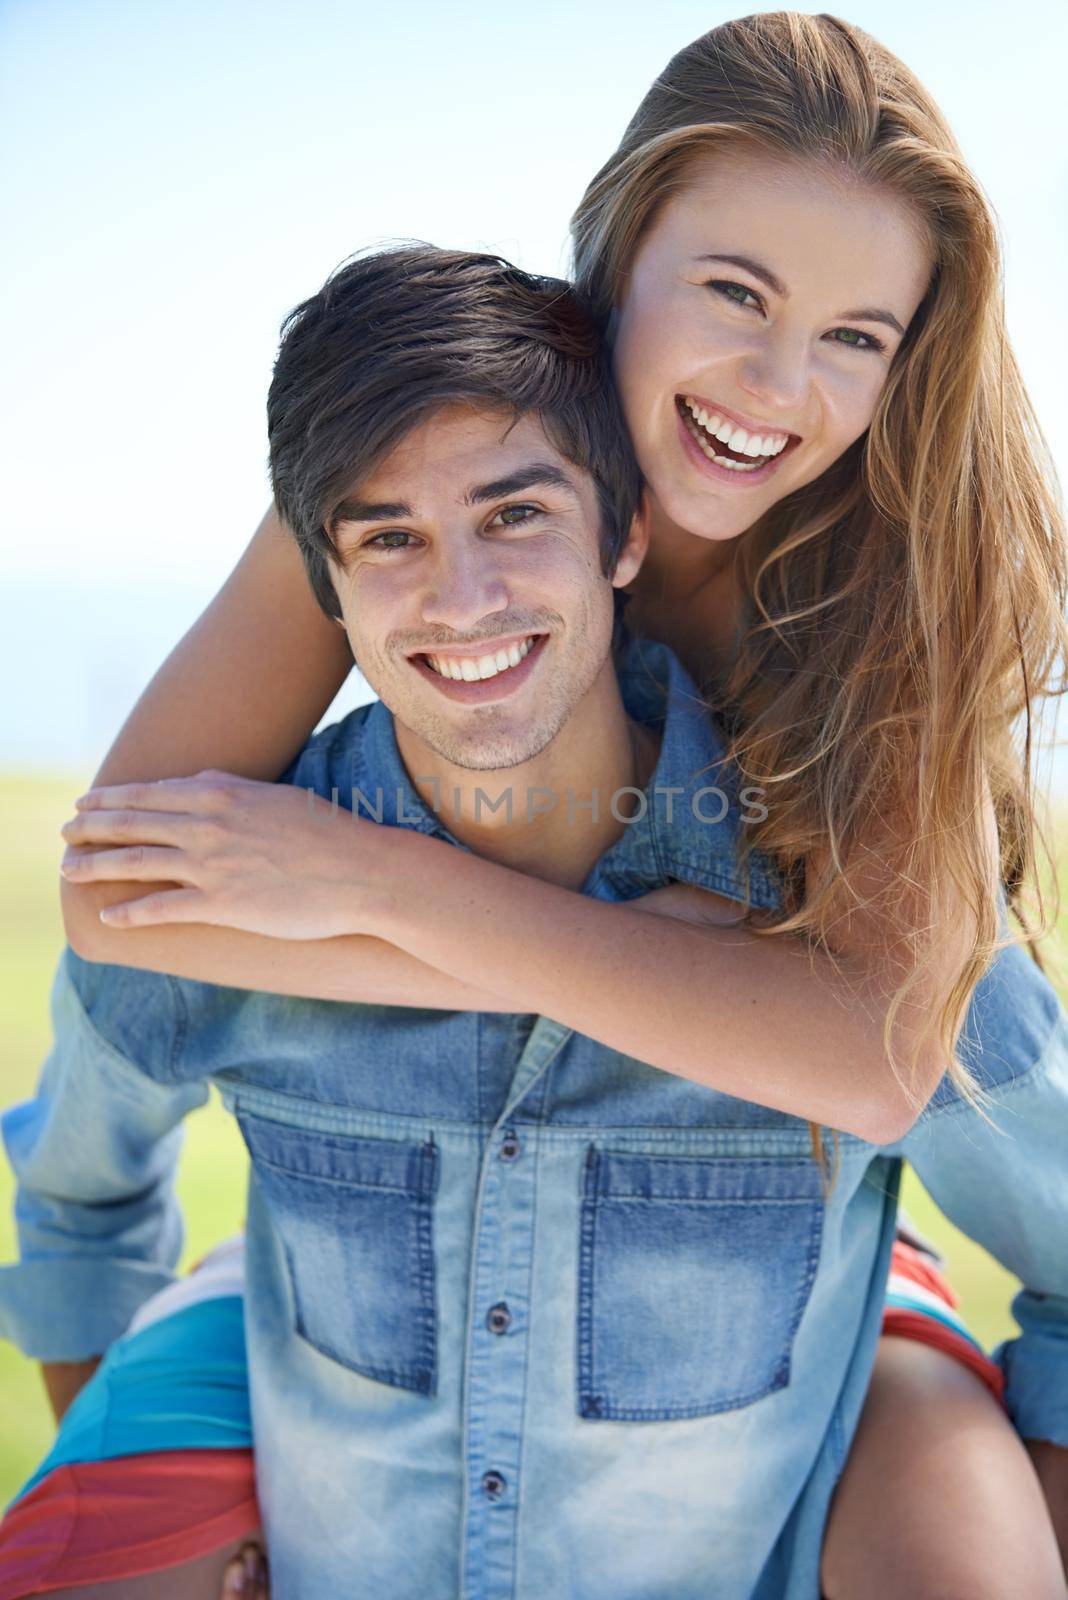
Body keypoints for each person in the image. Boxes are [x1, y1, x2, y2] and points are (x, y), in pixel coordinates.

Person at [4, 7, 1066, 1590]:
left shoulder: (881, 603)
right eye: (735, 293)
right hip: (372, 1288)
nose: (780, 384)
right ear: (612, 264)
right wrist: (663, 955)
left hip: (770, 1248)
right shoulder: (447, 469)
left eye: (859, 335)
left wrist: (379, 889)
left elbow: (876, 1055)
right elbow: (122, 897)